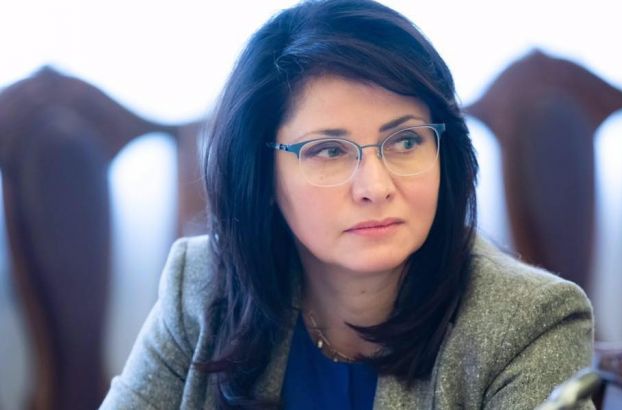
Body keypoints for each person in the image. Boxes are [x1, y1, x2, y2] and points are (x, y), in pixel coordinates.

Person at [100, 0, 594, 408]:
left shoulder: (529, 323)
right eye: (329, 151)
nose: (375, 186)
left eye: (405, 141)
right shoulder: (201, 287)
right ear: (262, 173)